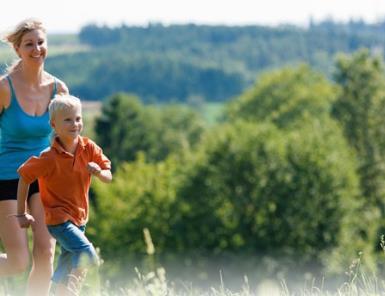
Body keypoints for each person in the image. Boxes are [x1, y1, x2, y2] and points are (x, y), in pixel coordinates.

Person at [16, 94, 112, 295]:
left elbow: (108, 176)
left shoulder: (89, 148)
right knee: (87, 255)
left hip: (80, 218)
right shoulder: (48, 158)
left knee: (65, 269)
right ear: (53, 124)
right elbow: (24, 176)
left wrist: (99, 172)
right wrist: (21, 213)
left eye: (78, 118)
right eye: (67, 120)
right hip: (58, 220)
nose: (74, 124)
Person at [0, 18, 68, 295]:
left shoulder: (59, 90)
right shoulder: (4, 88)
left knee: (46, 252)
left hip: (45, 177)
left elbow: (67, 138)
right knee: (18, 262)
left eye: (41, 42)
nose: (36, 48)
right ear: (18, 50)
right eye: (29, 44)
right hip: (8, 177)